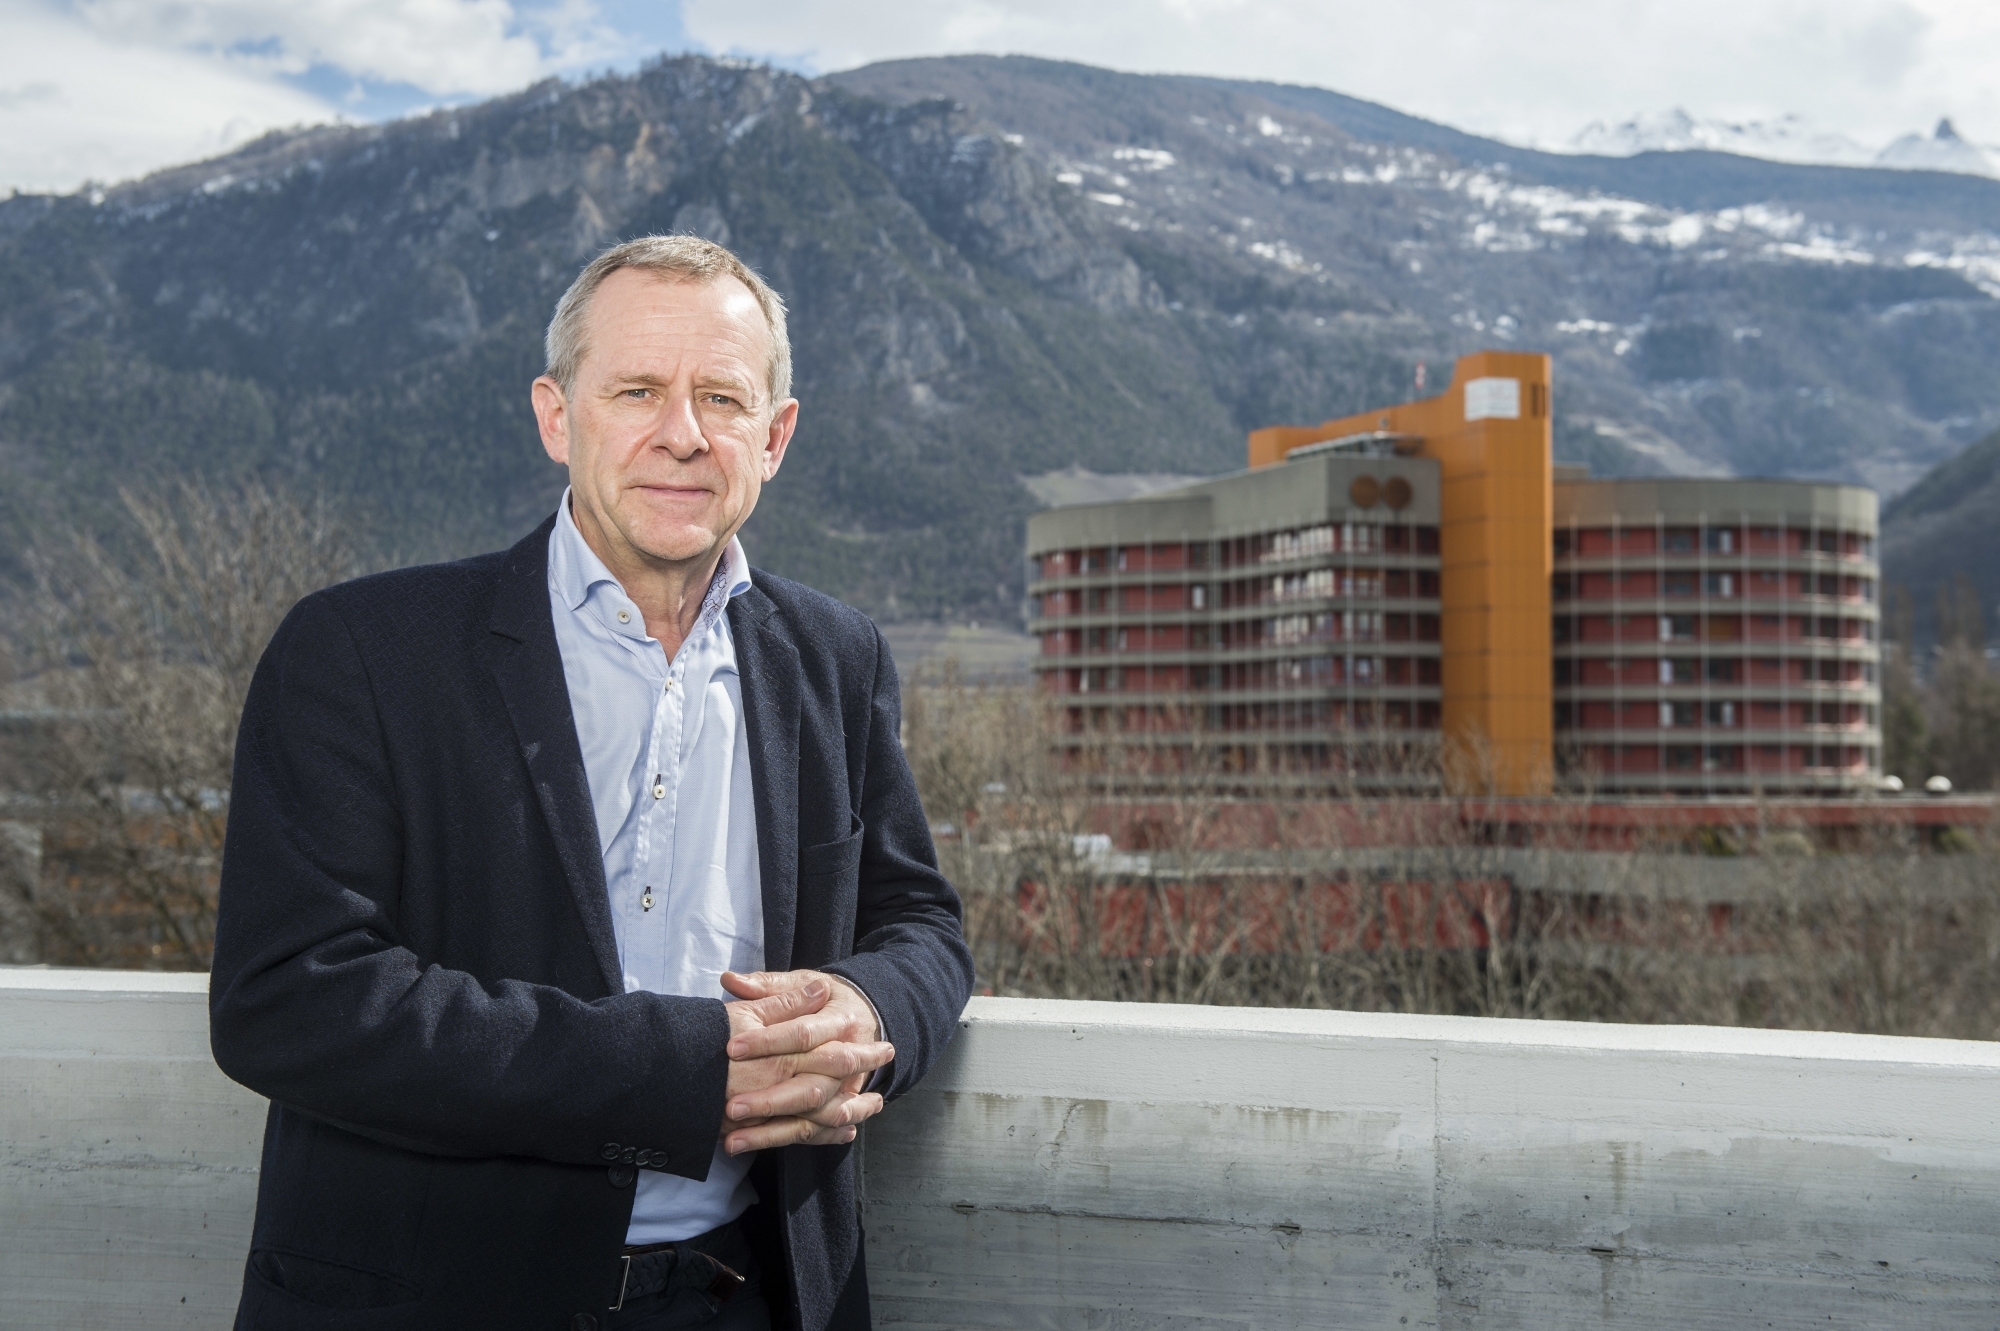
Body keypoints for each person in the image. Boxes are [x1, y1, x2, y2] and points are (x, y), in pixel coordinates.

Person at [209, 235, 975, 1331]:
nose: (683, 433)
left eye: (722, 396)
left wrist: (860, 1008)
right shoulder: (361, 651)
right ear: (556, 416)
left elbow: (922, 925)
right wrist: (685, 1066)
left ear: (777, 435)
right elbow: (285, 998)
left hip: (754, 1294)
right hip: (434, 1299)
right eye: (636, 390)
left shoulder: (834, 657)